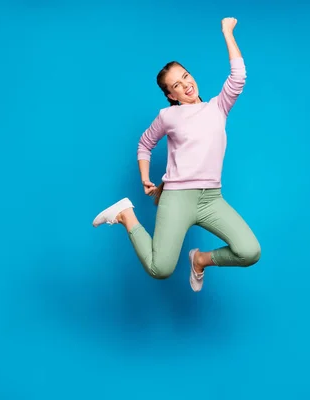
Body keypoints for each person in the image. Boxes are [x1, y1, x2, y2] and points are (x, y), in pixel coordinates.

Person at [92, 17, 261, 292]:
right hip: (177, 198)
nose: (185, 85)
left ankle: (201, 259)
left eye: (185, 76)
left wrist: (227, 32)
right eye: (177, 85)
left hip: (211, 198)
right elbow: (145, 143)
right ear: (172, 96)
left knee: (250, 251)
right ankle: (125, 215)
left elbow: (238, 76)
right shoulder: (169, 116)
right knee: (161, 269)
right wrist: (145, 178)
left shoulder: (218, 108)